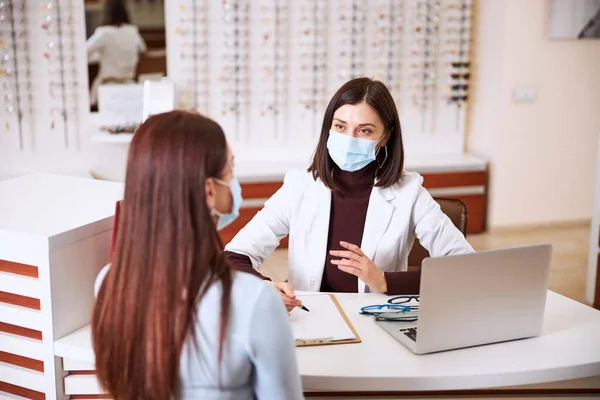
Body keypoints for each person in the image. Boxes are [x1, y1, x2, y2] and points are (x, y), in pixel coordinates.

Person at [92, 111, 303, 400]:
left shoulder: (108, 284)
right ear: (208, 191)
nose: (234, 183)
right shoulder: (254, 302)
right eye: (230, 171)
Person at [225, 77, 474, 310]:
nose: (349, 138)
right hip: (311, 315)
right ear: (328, 129)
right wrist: (268, 288)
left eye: (364, 130)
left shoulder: (409, 193)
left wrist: (385, 281)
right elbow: (235, 255)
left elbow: (465, 268)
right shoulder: (299, 186)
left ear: (385, 137)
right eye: (340, 126)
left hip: (377, 317)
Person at [86, 0, 147, 107]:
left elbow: (83, 53)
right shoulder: (132, 32)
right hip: (130, 88)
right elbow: (143, 52)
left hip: (108, 89)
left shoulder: (104, 33)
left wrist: (99, 56)